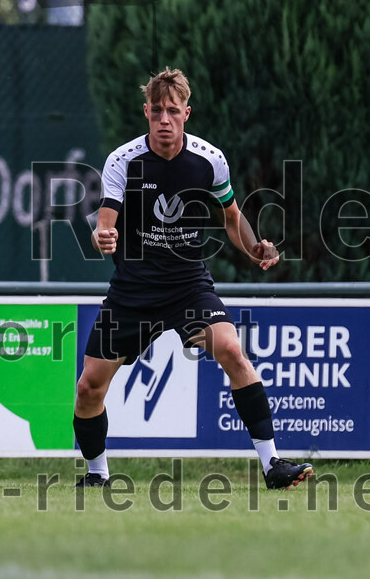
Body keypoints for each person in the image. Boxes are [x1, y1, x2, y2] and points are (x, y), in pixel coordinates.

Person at [74, 67, 313, 490]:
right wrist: (102, 236)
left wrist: (254, 246)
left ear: (187, 112)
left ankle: (272, 463)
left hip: (188, 285)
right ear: (146, 112)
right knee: (90, 387)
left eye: (172, 111)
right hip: (133, 290)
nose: (164, 119)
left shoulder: (210, 160)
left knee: (233, 352)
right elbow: (105, 225)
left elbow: (232, 217)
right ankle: (97, 475)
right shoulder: (123, 161)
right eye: (156, 112)